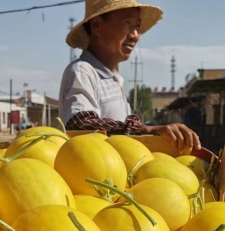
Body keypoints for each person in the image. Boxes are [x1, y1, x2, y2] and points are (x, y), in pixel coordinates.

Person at [58, 0, 201, 152]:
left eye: (137, 26)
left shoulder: (114, 79)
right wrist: (145, 130)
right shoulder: (82, 71)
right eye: (128, 23)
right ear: (97, 25)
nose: (135, 36)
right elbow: (79, 124)